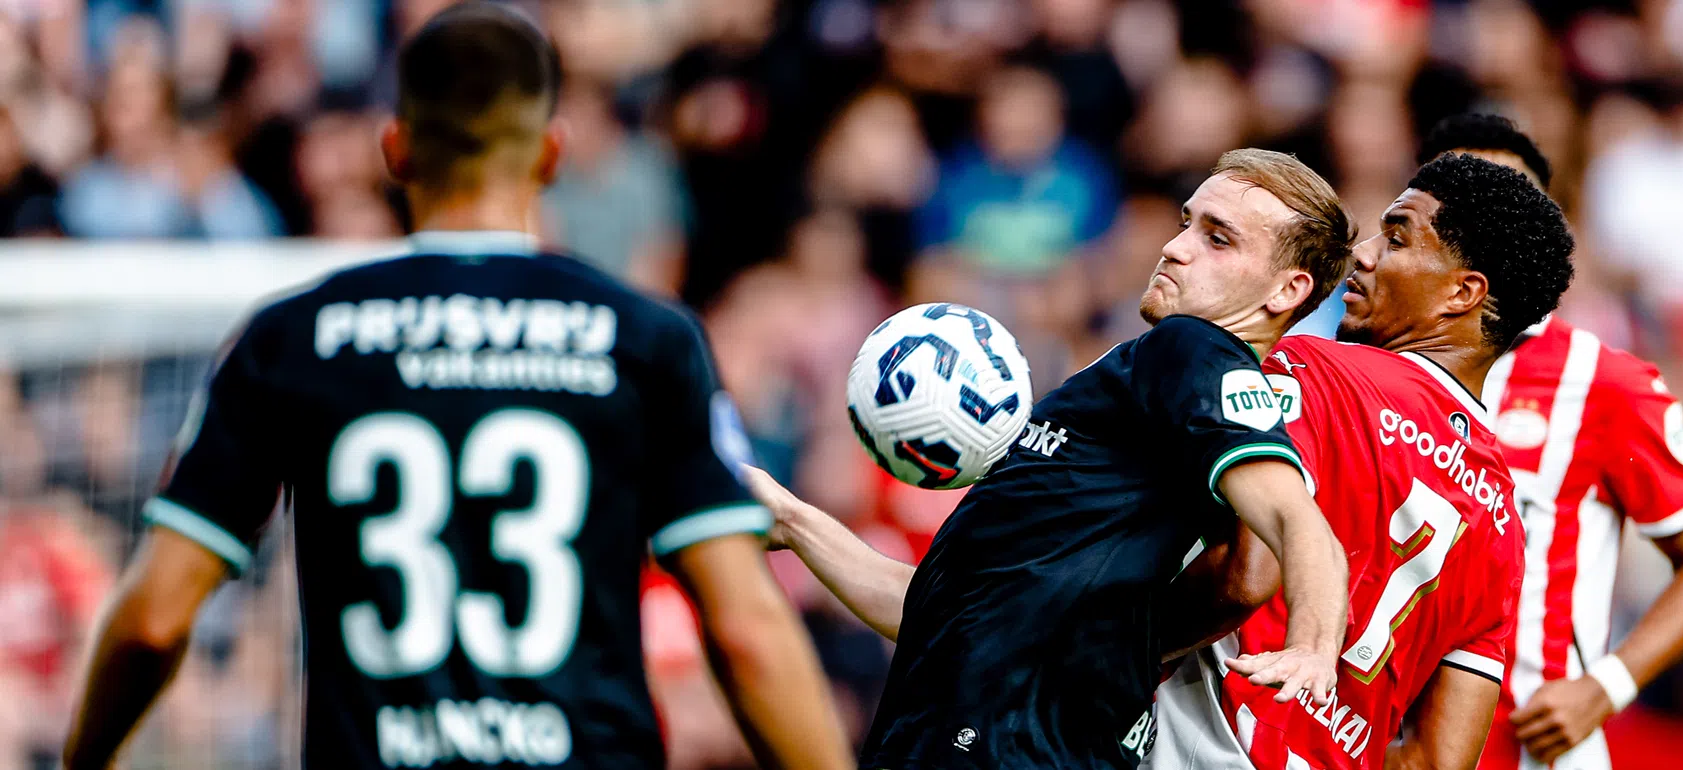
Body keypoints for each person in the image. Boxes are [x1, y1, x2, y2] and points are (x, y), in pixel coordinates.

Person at [61, 5, 854, 770]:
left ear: (396, 149)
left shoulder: (291, 338)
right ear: (549, 152)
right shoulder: (646, 340)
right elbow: (745, 628)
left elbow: (155, 620)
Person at [746, 148, 1353, 770]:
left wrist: (1311, 645)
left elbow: (1294, 522)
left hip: (997, 748)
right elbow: (940, 612)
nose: (1177, 248)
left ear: (1288, 289)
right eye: (1186, 223)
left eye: (1218, 239)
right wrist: (794, 519)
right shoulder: (1147, 390)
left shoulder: (1191, 348)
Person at [1149, 152, 1576, 770]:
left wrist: (1111, 647)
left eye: (1397, 238)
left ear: (1463, 293)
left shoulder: (1314, 371)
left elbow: (1246, 576)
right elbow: (1437, 760)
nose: (1365, 253)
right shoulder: (1504, 528)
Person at [1417, 113, 1683, 770]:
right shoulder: (1371, 368)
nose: (1479, 225)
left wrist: (1606, 687)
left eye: (1505, 202)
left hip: (1532, 746)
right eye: (1453, 204)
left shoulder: (1604, 384)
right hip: (1387, 735)